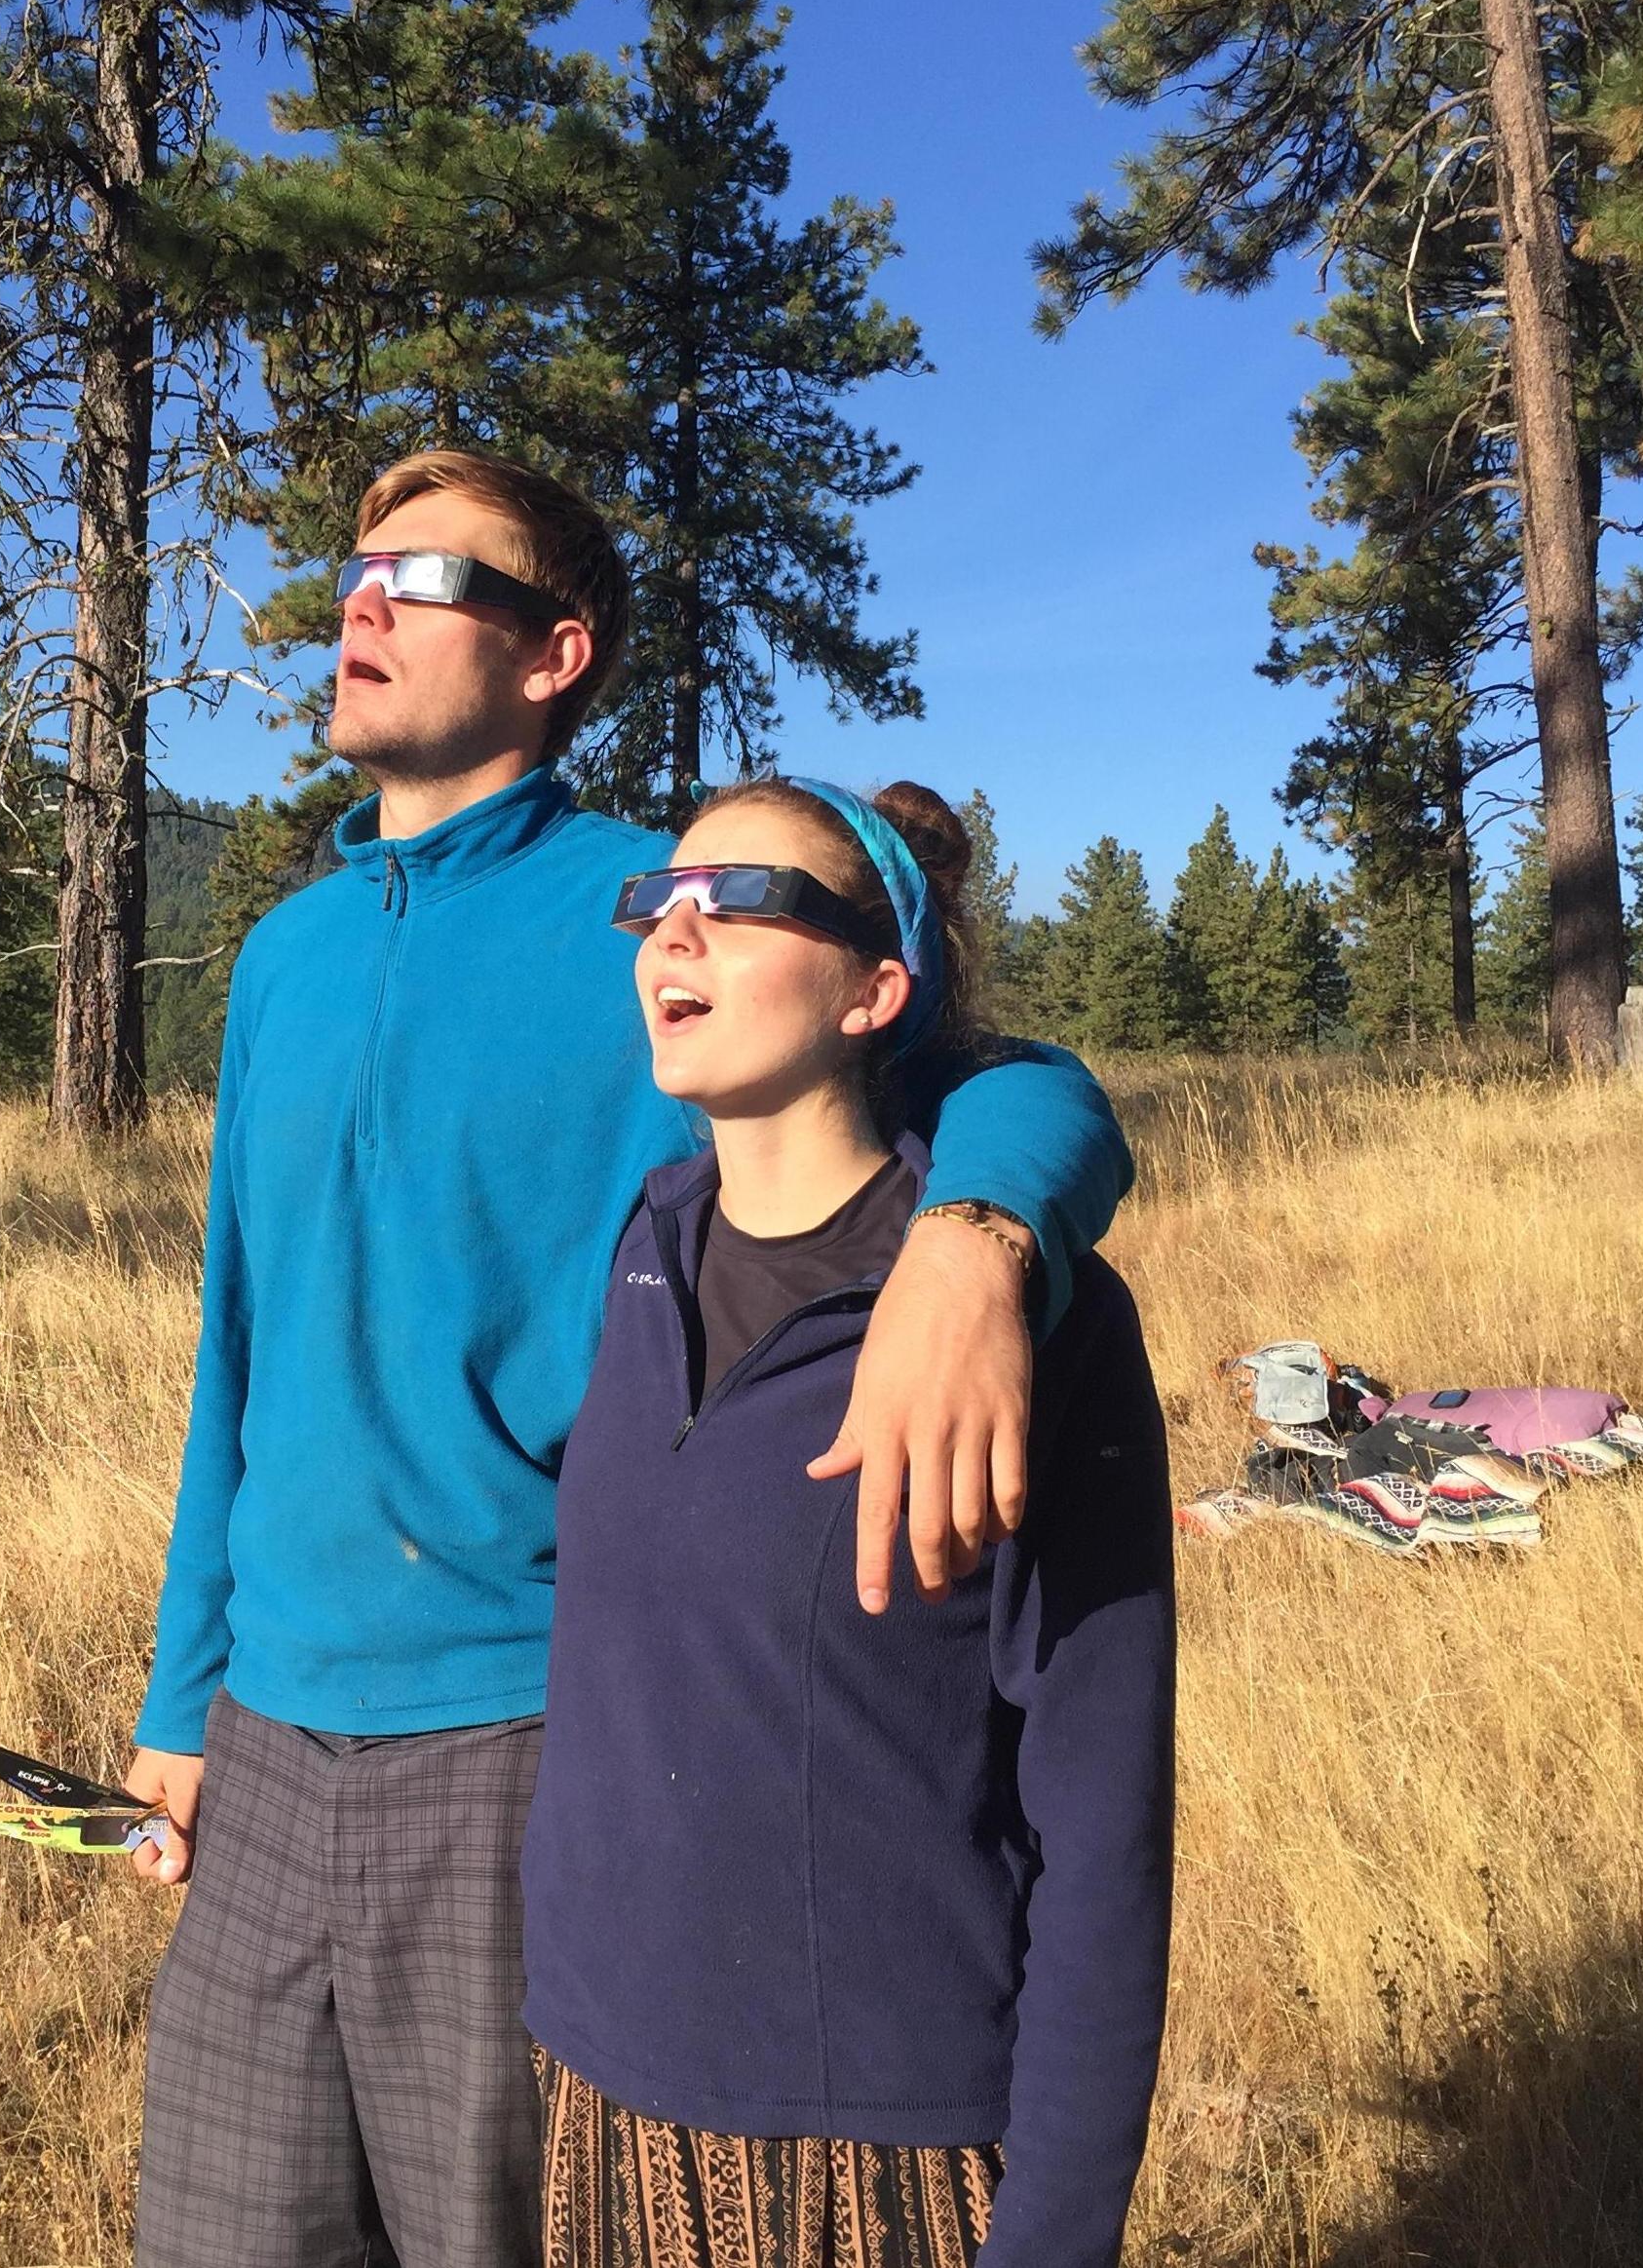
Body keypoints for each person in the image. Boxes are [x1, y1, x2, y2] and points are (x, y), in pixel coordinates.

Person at [118, 450, 1139, 2268]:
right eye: (356, 566)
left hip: (521, 1733)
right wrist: (182, 1697)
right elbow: (239, 1341)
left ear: (550, 653)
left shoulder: (650, 916)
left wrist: (980, 1243)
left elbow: (1010, 1079)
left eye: (424, 576)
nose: (360, 599)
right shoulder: (283, 955)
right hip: (265, 1734)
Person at [520, 777, 1175, 2268]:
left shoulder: (1026, 1324)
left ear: (877, 990)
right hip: (596, 2085)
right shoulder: (645, 1246)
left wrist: (1054, 2237)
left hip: (868, 2145)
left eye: (742, 897)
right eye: (658, 897)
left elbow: (1104, 1829)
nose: (674, 922)